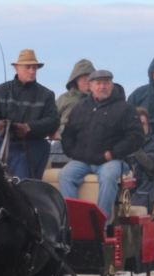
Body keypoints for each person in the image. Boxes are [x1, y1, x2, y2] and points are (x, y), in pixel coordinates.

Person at [59, 70, 145, 218]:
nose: (102, 86)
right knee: (64, 175)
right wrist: (73, 153)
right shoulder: (79, 108)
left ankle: (100, 223)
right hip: (83, 162)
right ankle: (75, 221)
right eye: (98, 83)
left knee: (108, 176)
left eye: (106, 83)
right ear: (91, 86)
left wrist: (113, 153)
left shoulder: (126, 109)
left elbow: (137, 137)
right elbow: (67, 135)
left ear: (112, 85)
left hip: (113, 161)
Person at [0, 49, 59, 180]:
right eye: (28, 67)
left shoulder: (46, 94)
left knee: (22, 160)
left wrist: (28, 128)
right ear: (16, 68)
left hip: (32, 143)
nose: (32, 71)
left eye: (34, 68)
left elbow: (52, 121)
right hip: (3, 141)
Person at [50, 59, 96, 167]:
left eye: (90, 76)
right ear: (75, 79)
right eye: (83, 76)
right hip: (64, 144)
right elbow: (50, 120)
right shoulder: (64, 99)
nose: (87, 79)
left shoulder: (102, 100)